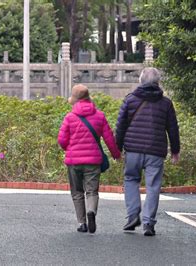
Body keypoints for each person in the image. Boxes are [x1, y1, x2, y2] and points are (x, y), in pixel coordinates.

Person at [115, 67, 180, 236]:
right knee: (153, 186)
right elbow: (172, 128)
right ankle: (148, 223)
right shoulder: (166, 103)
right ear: (158, 82)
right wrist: (175, 150)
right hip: (155, 151)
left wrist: (117, 148)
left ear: (140, 81)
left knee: (130, 179)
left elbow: (120, 126)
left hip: (133, 150)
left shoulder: (130, 100)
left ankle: (132, 216)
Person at [58, 84, 121, 234]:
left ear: (74, 100)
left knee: (77, 192)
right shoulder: (100, 116)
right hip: (93, 161)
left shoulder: (70, 117)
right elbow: (109, 138)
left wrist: (69, 149)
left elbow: (61, 140)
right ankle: (91, 211)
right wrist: (116, 154)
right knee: (92, 191)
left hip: (74, 161)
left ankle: (82, 223)